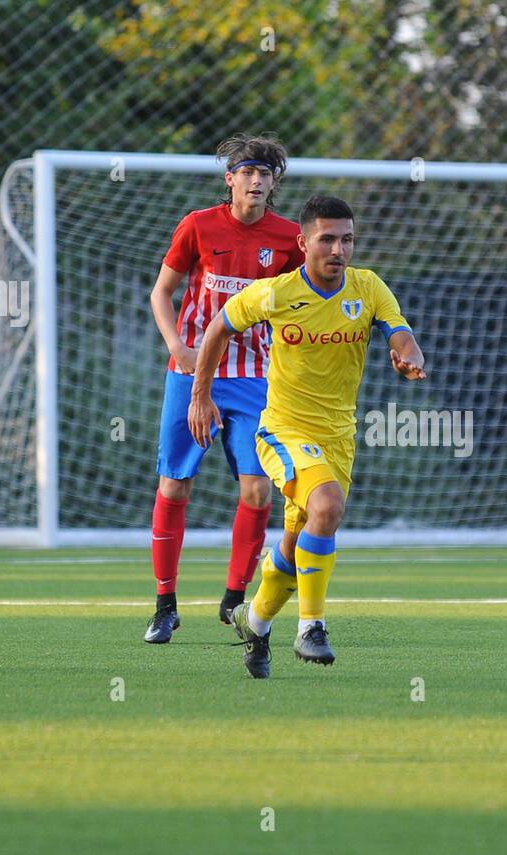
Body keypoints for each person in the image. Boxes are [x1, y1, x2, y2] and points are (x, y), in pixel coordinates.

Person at [188, 196, 427, 678]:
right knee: (328, 507)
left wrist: (410, 356)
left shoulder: (368, 287)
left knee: (302, 537)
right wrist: (200, 395)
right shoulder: (275, 293)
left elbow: (400, 332)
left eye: (347, 239)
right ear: (303, 243)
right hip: (282, 430)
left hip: (339, 439)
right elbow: (217, 328)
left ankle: (253, 622)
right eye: (327, 239)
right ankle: (311, 627)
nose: (339, 249)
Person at [143, 134, 304, 643]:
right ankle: (164, 605)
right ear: (229, 179)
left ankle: (235, 598)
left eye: (266, 173)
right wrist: (180, 347)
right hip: (191, 375)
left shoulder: (288, 238)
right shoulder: (198, 225)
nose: (257, 180)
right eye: (248, 171)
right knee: (175, 485)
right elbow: (162, 293)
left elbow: (299, 306)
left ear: (274, 182)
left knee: (257, 490)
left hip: (255, 379)